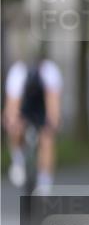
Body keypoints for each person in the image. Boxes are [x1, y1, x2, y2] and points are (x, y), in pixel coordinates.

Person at [5, 51, 63, 194]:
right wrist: (12, 122)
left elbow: (53, 103)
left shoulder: (51, 72)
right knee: (15, 128)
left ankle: (44, 181)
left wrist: (52, 123)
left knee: (47, 139)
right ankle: (18, 159)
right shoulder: (17, 74)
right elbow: (12, 105)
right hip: (24, 105)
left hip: (43, 106)